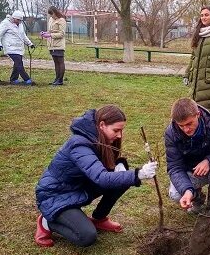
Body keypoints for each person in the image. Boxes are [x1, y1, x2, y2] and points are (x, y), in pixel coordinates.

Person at [34, 105, 158, 247]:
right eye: (116, 130)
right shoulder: (79, 145)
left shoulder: (100, 139)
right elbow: (101, 177)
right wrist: (139, 174)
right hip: (56, 195)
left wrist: (120, 167)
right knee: (87, 236)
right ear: (102, 125)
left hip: (79, 187)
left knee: (122, 178)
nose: (120, 135)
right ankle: (47, 223)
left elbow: (102, 170)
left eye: (122, 130)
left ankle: (99, 218)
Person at [164, 98, 210, 214]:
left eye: (189, 123)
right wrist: (187, 190)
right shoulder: (172, 134)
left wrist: (209, 161)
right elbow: (175, 167)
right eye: (181, 126)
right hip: (192, 172)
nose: (186, 129)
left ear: (197, 114)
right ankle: (197, 198)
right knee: (176, 194)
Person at [0, 10, 35, 85]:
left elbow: (23, 36)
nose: (19, 22)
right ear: (13, 18)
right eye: (18, 20)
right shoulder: (6, 23)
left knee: (17, 63)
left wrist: (30, 44)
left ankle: (13, 79)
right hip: (10, 47)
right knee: (19, 63)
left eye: (20, 20)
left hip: (19, 48)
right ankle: (27, 79)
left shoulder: (20, 25)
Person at [40, 6, 67, 85]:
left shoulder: (62, 20)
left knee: (60, 62)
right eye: (50, 14)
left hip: (59, 45)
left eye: (52, 14)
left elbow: (62, 34)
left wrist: (50, 35)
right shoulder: (51, 20)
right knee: (55, 62)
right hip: (51, 44)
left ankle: (60, 80)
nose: (51, 16)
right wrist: (45, 33)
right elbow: (50, 31)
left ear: (55, 12)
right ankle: (56, 78)